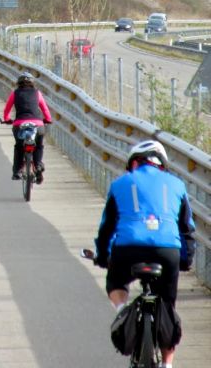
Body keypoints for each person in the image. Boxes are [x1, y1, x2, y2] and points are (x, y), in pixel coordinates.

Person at [93, 140, 195, 368]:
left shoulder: (120, 183)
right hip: (167, 251)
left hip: (129, 248)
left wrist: (102, 255)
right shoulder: (177, 184)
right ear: (161, 164)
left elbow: (106, 227)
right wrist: (186, 260)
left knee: (116, 282)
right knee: (167, 309)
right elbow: (187, 228)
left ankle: (122, 311)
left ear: (135, 162)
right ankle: (167, 365)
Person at [2, 72, 52, 183]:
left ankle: (17, 171)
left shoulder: (15, 93)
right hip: (37, 124)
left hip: (19, 124)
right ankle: (38, 164)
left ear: (18, 83)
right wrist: (48, 119)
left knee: (19, 147)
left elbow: (7, 109)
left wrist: (6, 119)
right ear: (32, 83)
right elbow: (45, 109)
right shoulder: (37, 93)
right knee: (38, 145)